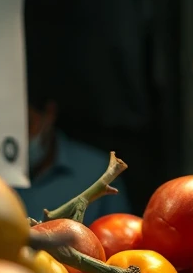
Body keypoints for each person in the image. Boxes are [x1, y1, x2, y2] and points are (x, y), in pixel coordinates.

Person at [17, 91, 132, 226]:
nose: (19, 138)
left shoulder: (99, 172)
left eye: (27, 124)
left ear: (49, 113)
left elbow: (121, 235)